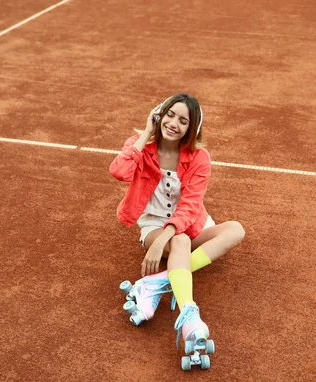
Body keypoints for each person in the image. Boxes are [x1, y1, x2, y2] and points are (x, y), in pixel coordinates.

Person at [109, 93, 245, 369]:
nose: (173, 123)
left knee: (235, 230)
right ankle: (189, 316)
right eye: (169, 115)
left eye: (183, 121)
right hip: (154, 225)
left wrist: (164, 244)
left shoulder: (199, 157)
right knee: (181, 241)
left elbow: (190, 206)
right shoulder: (140, 146)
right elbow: (119, 171)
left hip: (191, 222)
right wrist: (146, 131)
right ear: (160, 113)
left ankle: (156, 282)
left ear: (191, 129)